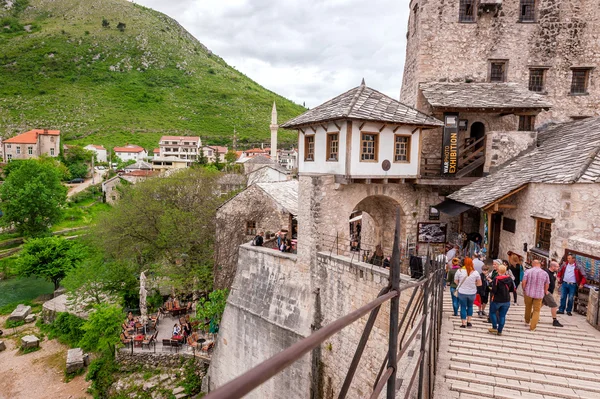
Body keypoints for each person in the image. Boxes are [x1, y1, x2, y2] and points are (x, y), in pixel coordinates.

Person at [522, 260, 550, 332]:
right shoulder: (545, 273)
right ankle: (532, 327)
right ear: (539, 264)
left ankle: (527, 321)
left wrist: (524, 289)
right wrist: (545, 291)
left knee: (528, 307)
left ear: (533, 264)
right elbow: (547, 284)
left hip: (528, 292)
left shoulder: (528, 271)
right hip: (539, 294)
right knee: (536, 310)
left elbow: (524, 282)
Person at [454, 257, 482, 328]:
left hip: (462, 292)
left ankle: (463, 323)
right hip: (472, 293)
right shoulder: (475, 272)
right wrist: (473, 284)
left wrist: (461, 284)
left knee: (463, 307)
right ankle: (469, 322)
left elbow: (455, 281)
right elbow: (479, 284)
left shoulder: (459, 271)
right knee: (470, 306)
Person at [488, 264, 515, 336]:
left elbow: (494, 290)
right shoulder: (509, 279)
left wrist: (491, 289)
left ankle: (494, 327)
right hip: (506, 299)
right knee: (502, 315)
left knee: (492, 312)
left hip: (497, 299)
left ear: (498, 271)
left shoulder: (497, 279)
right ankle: (500, 331)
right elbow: (512, 289)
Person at [544, 261, 564, 327]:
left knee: (542, 303)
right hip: (547, 292)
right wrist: (546, 290)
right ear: (553, 267)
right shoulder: (546, 272)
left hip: (549, 291)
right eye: (557, 267)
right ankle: (555, 320)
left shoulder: (553, 273)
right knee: (554, 305)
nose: (558, 268)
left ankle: (532, 315)